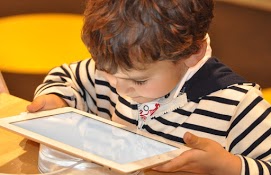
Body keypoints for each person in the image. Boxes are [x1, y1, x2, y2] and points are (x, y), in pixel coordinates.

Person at [27, 0, 271, 174]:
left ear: (192, 53)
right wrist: (56, 99)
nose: (120, 89)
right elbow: (69, 78)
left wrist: (229, 167)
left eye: (139, 81)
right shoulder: (122, 70)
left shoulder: (237, 105)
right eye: (106, 72)